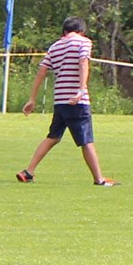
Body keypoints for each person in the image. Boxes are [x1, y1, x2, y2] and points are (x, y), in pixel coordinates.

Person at [16, 16, 118, 187]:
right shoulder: (83, 42)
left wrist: (32, 99)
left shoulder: (55, 46)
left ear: (64, 31)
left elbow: (41, 71)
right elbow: (83, 63)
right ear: (81, 31)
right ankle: (99, 179)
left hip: (60, 101)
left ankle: (29, 171)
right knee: (86, 140)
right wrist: (81, 89)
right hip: (77, 101)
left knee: (53, 137)